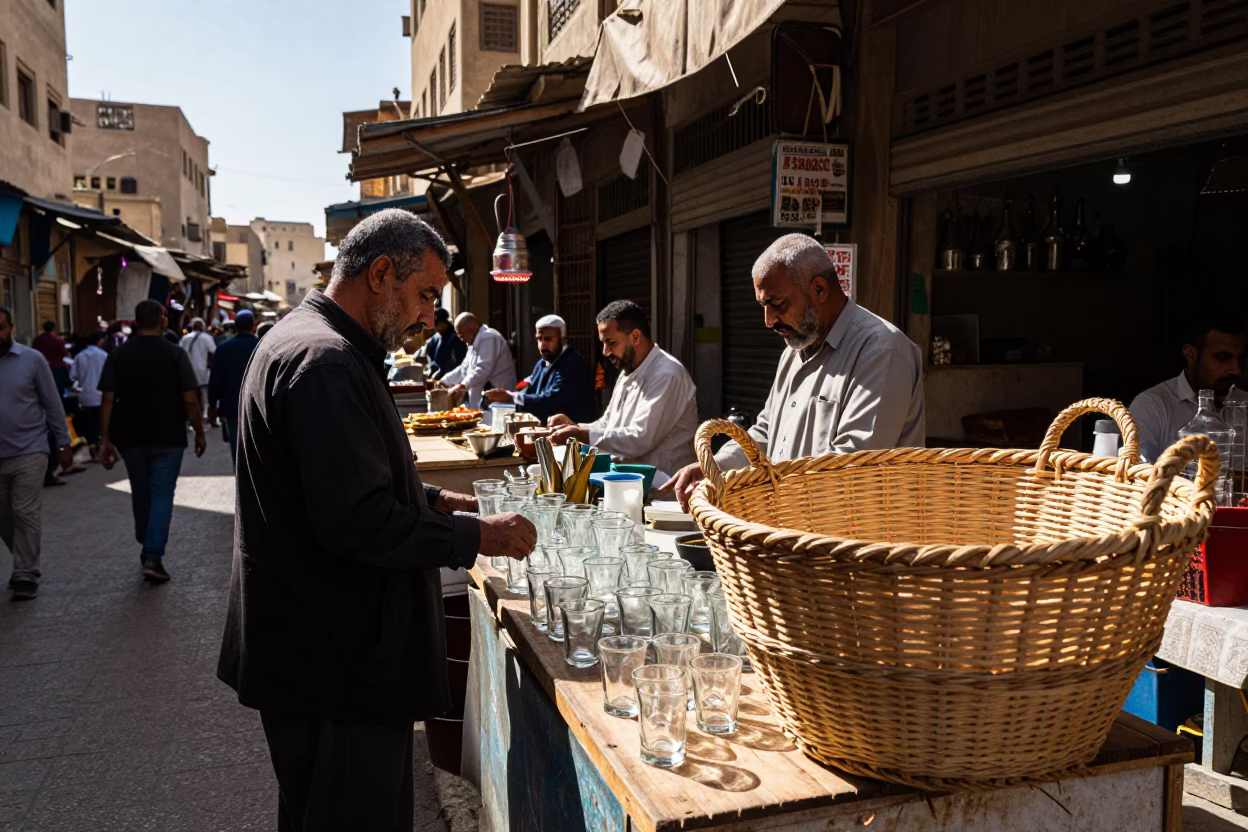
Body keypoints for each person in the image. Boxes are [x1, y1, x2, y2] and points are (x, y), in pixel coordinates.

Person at [216, 209, 535, 831]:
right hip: (333, 666)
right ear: (382, 273)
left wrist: (441, 503)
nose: (427, 317)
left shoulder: (323, 346)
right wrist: (476, 537)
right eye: (423, 296)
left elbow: (344, 483)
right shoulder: (324, 361)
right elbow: (357, 521)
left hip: (326, 657)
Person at [664, 234, 926, 509]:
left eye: (777, 305)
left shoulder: (881, 351)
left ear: (820, 290)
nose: (769, 321)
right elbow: (765, 433)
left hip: (858, 541)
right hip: (795, 532)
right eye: (763, 307)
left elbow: (853, 467)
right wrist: (716, 467)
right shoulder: (794, 352)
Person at [98, 300, 207, 583]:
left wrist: (105, 439)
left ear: (136, 322)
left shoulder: (119, 355)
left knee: (141, 491)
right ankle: (153, 554)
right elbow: (190, 399)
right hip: (168, 435)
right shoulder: (175, 354)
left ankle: (147, 543)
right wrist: (199, 431)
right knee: (162, 494)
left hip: (130, 436)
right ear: (161, 320)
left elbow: (107, 400)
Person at [548, 300, 698, 482]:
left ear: (635, 337)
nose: (605, 351)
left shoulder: (667, 374)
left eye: (610, 342)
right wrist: (576, 427)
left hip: (665, 492)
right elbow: (609, 424)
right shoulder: (627, 371)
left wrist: (582, 435)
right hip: (630, 484)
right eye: (603, 343)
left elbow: (640, 438)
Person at [0, 306, 74, 601]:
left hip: (30, 450)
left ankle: (25, 573)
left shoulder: (31, 360)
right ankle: (24, 559)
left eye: (1, 328)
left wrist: (63, 443)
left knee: (25, 512)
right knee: (4, 517)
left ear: (12, 327)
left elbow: (52, 403)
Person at [1129, 316, 1247, 463]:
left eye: (1240, 359)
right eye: (1222, 357)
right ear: (1191, 354)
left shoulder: (1244, 402)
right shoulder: (1152, 406)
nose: (1235, 370)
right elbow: (1137, 474)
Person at [485, 314, 595, 424]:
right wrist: (510, 397)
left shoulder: (572, 363)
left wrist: (512, 398)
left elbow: (552, 402)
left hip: (573, 435)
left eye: (548, 339)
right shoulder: (541, 364)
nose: (542, 345)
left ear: (562, 340)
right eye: (539, 339)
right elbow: (532, 394)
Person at [207, 309, 260, 467]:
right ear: (253, 326)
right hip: (259, 409)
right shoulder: (262, 346)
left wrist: (212, 406)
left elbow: (215, 380)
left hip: (232, 408)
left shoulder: (223, 348)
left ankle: (242, 488)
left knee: (238, 456)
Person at [436, 312, 517, 410]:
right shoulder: (473, 341)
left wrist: (462, 386)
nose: (462, 340)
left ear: (472, 328)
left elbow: (483, 370)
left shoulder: (489, 337)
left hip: (498, 400)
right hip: (482, 402)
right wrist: (444, 381)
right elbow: (464, 368)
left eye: (462, 335)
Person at [70, 331, 110, 463]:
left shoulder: (80, 356)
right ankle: (104, 450)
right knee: (102, 424)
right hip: (102, 396)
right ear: (100, 341)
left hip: (86, 396)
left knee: (90, 424)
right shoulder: (104, 355)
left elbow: (73, 376)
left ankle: (94, 451)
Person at [179, 317, 216, 427]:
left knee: (190, 393)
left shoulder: (185, 338)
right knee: (204, 394)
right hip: (203, 371)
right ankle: (204, 415)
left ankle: (190, 416)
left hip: (188, 370)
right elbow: (213, 352)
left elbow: (181, 353)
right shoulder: (207, 338)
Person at [424, 307, 467, 380]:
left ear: (445, 322)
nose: (437, 328)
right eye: (435, 325)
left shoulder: (456, 339)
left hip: (452, 379)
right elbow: (428, 354)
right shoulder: (436, 337)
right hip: (437, 378)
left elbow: (459, 364)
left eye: (439, 324)